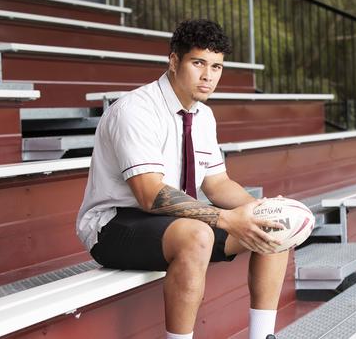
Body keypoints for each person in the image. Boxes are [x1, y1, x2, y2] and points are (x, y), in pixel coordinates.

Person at [76, 19, 289, 339]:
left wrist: (258, 207)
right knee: (197, 236)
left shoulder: (203, 116)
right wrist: (228, 219)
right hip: (115, 225)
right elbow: (149, 194)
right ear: (174, 61)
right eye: (198, 63)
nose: (208, 75)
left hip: (175, 221)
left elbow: (217, 184)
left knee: (275, 224)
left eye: (216, 67)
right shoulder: (136, 109)